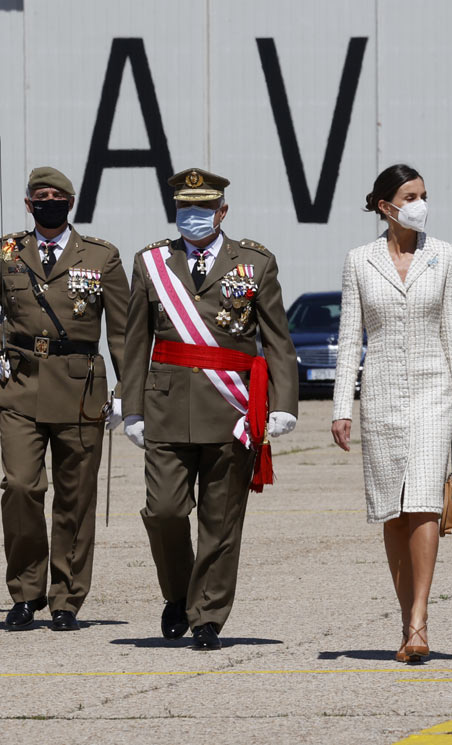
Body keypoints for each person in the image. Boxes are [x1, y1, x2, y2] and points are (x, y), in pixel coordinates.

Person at [122, 167, 299, 650]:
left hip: (231, 410)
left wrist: (283, 404)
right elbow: (135, 340)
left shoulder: (255, 263)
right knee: (163, 512)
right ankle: (178, 594)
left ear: (222, 211)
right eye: (185, 208)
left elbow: (277, 341)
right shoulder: (151, 262)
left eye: (202, 209)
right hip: (164, 407)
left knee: (221, 523)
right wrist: (129, 406)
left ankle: (207, 617)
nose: (193, 217)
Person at [0, 167, 128, 632]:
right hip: (20, 383)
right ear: (28, 203)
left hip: (80, 388)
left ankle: (66, 598)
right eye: (41, 195)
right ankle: (24, 591)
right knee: (20, 486)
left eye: (57, 196)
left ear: (71, 204)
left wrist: (125, 391)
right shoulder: (6, 251)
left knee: (75, 498)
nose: (48, 201)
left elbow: (121, 330)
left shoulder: (101, 256)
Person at [331, 164, 452, 662]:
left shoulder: (446, 255)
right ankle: (404, 618)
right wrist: (340, 408)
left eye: (424, 195)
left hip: (435, 392)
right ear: (385, 205)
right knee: (392, 510)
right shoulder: (358, 260)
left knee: (424, 505)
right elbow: (351, 337)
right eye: (410, 196)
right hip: (383, 394)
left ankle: (419, 618)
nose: (420, 204)